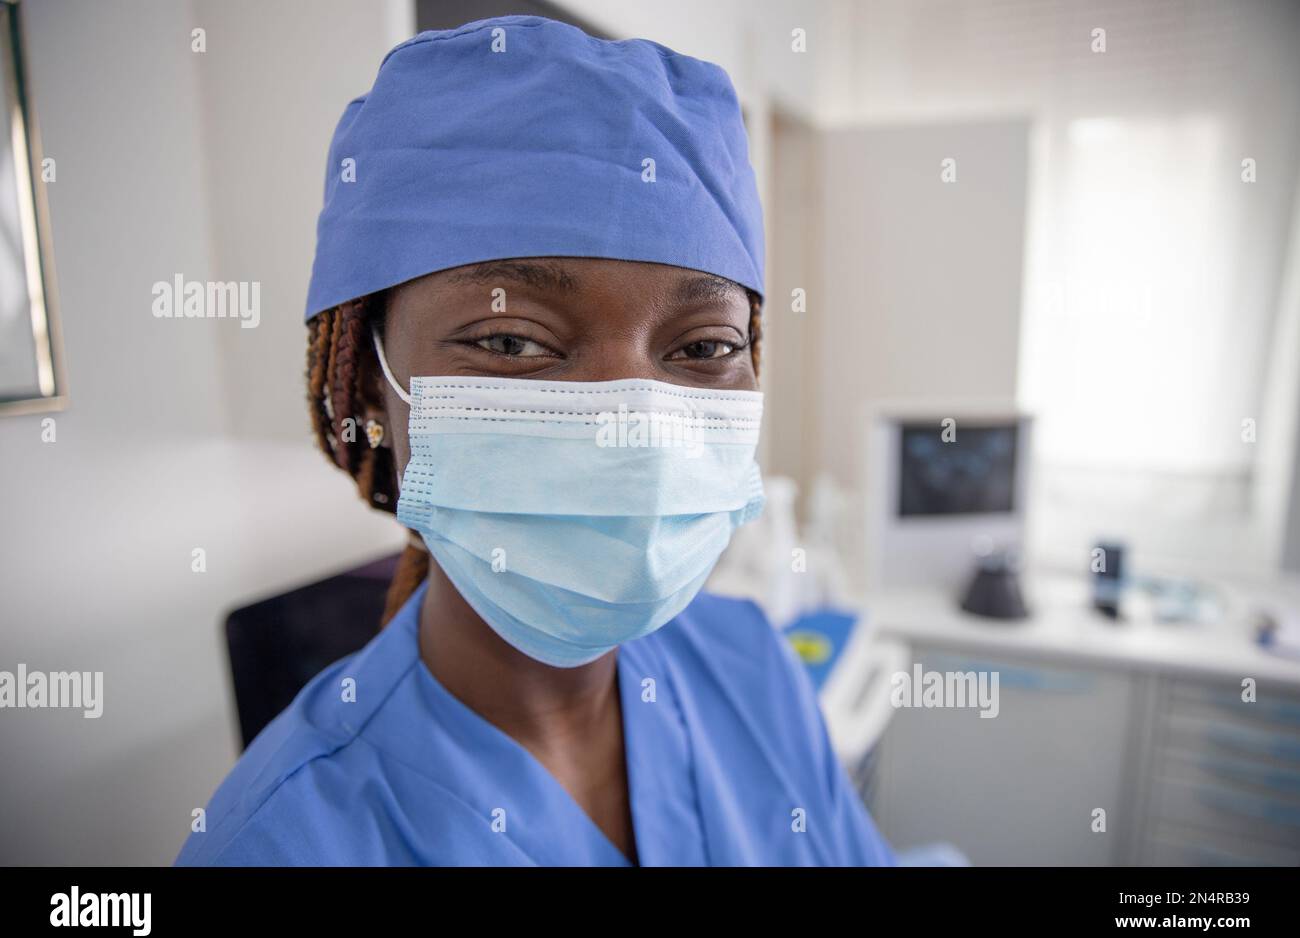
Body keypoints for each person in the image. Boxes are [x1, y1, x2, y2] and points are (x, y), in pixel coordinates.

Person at [175, 14, 896, 866]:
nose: (633, 425)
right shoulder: (281, 844)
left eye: (704, 347)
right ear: (369, 377)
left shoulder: (753, 671)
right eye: (511, 340)